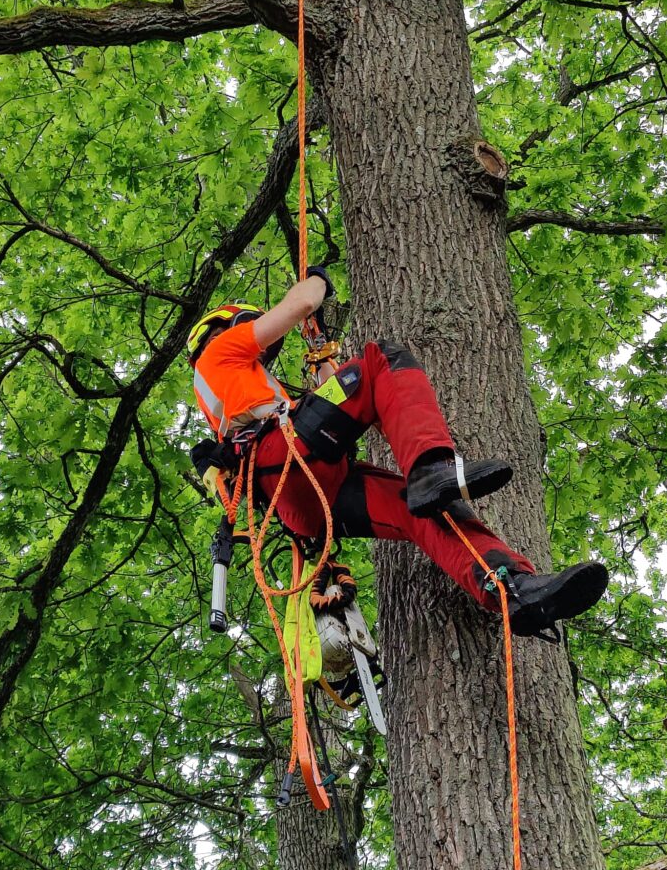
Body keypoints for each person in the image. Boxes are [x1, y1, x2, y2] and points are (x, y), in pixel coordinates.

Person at [187, 267, 608, 639]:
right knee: (379, 360)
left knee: (423, 509)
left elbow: (334, 406)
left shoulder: (236, 392)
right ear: (227, 326)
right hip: (290, 455)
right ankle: (431, 465)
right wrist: (318, 281)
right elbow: (302, 302)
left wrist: (322, 352)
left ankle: (513, 589)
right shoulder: (218, 352)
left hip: (304, 492)